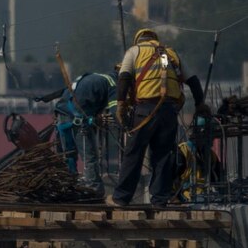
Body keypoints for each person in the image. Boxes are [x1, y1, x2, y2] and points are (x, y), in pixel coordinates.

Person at [112, 28, 209, 206]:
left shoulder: (135, 51)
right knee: (163, 156)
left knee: (134, 153)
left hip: (145, 111)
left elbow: (124, 77)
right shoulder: (167, 54)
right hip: (168, 112)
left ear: (138, 40)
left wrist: (120, 105)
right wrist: (199, 104)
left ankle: (121, 198)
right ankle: (160, 200)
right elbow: (193, 80)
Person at [50, 71, 116, 197]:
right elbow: (115, 108)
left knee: (67, 156)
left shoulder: (92, 77)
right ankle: (93, 187)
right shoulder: (112, 83)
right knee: (89, 157)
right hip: (77, 120)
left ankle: (68, 185)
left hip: (62, 118)